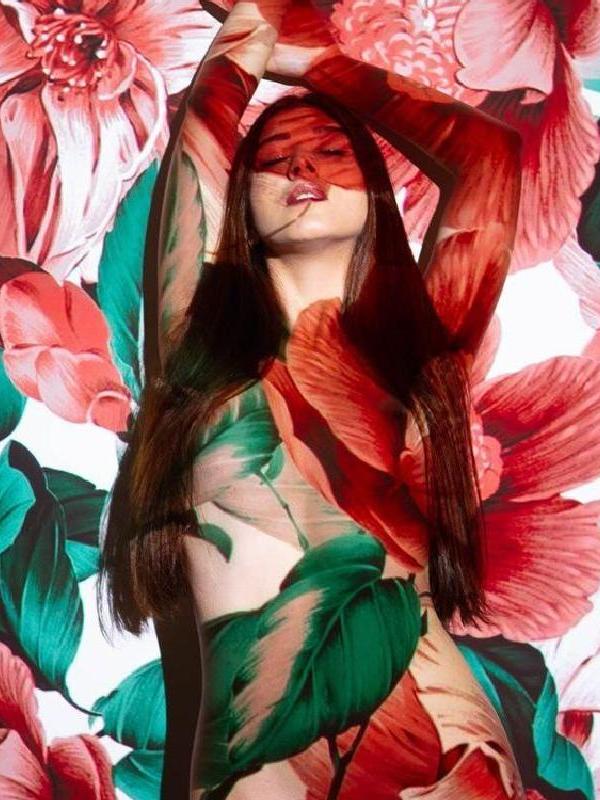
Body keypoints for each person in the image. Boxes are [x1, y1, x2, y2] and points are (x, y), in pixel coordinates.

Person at [99, 0, 524, 797]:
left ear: (377, 200)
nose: (302, 170)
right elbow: (206, 124)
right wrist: (250, 31)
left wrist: (312, 61)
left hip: (450, 753)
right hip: (257, 771)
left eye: (333, 154)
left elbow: (490, 154)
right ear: (240, 204)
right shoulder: (200, 349)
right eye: (276, 158)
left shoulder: (419, 351)